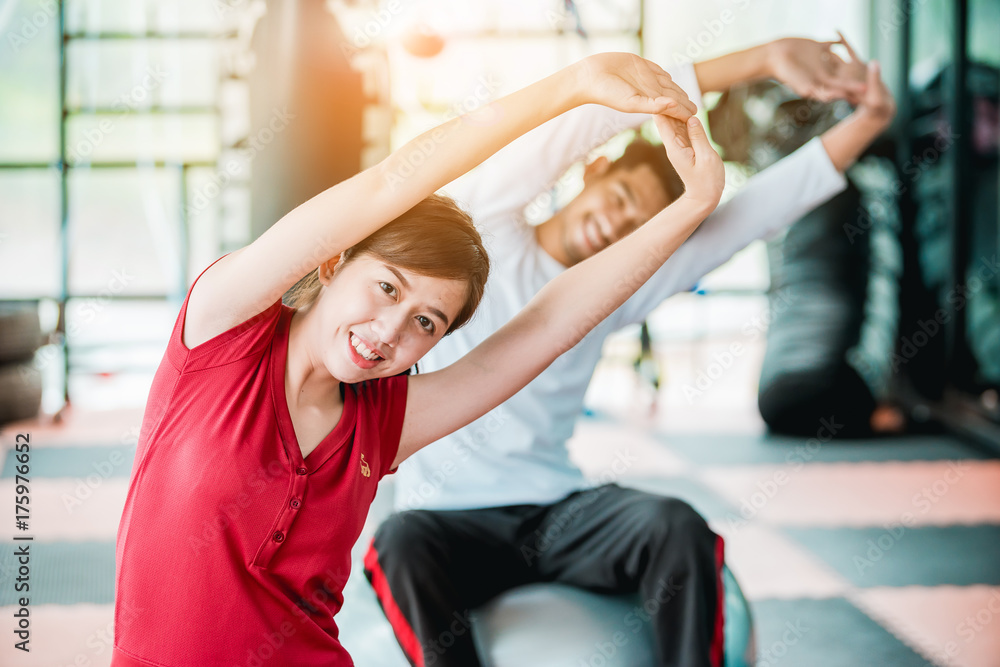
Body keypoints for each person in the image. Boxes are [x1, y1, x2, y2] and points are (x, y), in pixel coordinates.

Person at [111, 52, 724, 667]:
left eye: (425, 323)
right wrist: (571, 87)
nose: (389, 332)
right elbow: (391, 183)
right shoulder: (224, 329)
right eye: (387, 288)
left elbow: (547, 324)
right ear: (332, 261)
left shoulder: (382, 424)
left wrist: (692, 206)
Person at [364, 38, 896, 667]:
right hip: (449, 523)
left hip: (556, 513)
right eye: (619, 200)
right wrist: (763, 59)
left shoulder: (617, 285)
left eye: (636, 226)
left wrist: (868, 122)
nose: (615, 227)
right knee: (396, 541)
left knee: (676, 525)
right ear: (594, 174)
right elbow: (587, 119)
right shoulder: (490, 225)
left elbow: (755, 214)